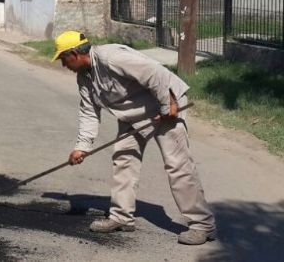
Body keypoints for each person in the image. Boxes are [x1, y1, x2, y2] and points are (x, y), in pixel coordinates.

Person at [53, 31, 217, 245]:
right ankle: (121, 217)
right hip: (132, 116)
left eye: (63, 59)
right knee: (123, 160)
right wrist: (82, 147)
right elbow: (89, 112)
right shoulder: (84, 77)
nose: (63, 65)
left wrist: (169, 104)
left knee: (177, 166)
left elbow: (155, 74)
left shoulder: (112, 57)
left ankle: (202, 226)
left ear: (74, 53)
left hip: (164, 107)